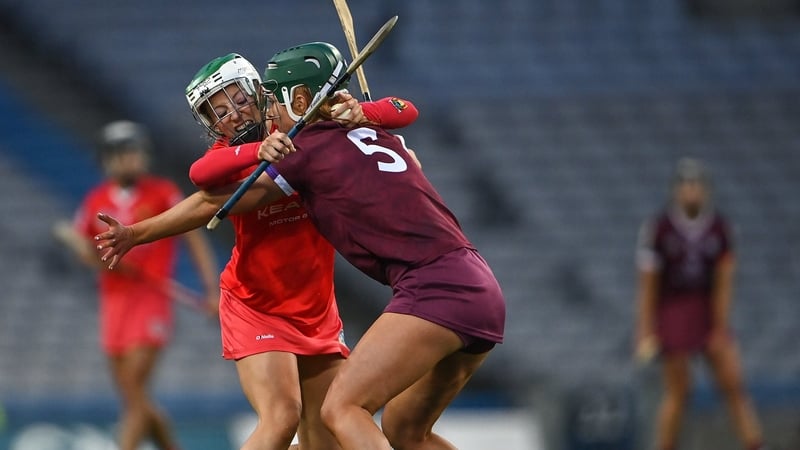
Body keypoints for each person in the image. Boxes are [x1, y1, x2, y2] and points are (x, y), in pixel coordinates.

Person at [94, 45, 505, 450]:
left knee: (327, 438)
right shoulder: (241, 152)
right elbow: (202, 180)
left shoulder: (306, 140)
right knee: (283, 418)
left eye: (241, 98)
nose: (234, 112)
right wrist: (136, 233)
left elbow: (405, 110)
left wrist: (364, 111)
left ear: (264, 93)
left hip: (317, 309)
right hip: (257, 303)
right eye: (219, 110)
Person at [70, 120, 220, 450]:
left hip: (152, 301)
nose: (130, 159)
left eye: (135, 152)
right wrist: (94, 256)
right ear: (107, 160)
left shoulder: (163, 192)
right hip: (114, 306)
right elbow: (87, 251)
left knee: (136, 391)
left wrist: (212, 290)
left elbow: (194, 240)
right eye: (122, 154)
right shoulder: (95, 201)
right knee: (135, 398)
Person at [634, 157, 765, 450]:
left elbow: (724, 282)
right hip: (674, 310)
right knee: (680, 390)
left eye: (696, 185)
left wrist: (721, 326)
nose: (691, 191)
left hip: (706, 308)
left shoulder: (720, 229)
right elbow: (648, 285)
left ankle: (755, 444)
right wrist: (646, 330)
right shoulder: (659, 229)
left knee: (733, 383)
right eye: (685, 185)